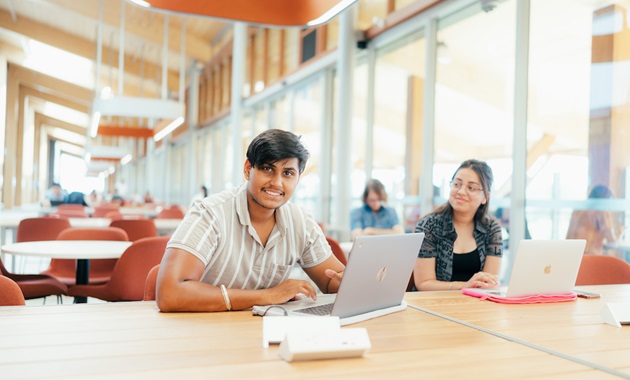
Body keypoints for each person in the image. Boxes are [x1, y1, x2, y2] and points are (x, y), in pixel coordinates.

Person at [157, 129, 346, 312]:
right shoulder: (210, 214)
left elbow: (332, 281)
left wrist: (348, 282)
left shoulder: (301, 221)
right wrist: (268, 296)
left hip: (261, 333)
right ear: (248, 169)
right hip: (202, 330)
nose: (277, 183)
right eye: (267, 169)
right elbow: (169, 293)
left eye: (288, 173)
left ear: (297, 178)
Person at [413, 159, 502, 291]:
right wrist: (463, 286)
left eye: (471, 187)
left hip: (475, 306)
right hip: (432, 304)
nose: (460, 191)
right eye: (456, 184)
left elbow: (488, 283)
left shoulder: (491, 229)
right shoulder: (428, 225)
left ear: (485, 197)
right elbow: (423, 283)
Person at [566, 185, 623, 255]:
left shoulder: (577, 210)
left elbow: (568, 237)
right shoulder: (602, 212)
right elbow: (612, 241)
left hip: (574, 254)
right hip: (592, 257)